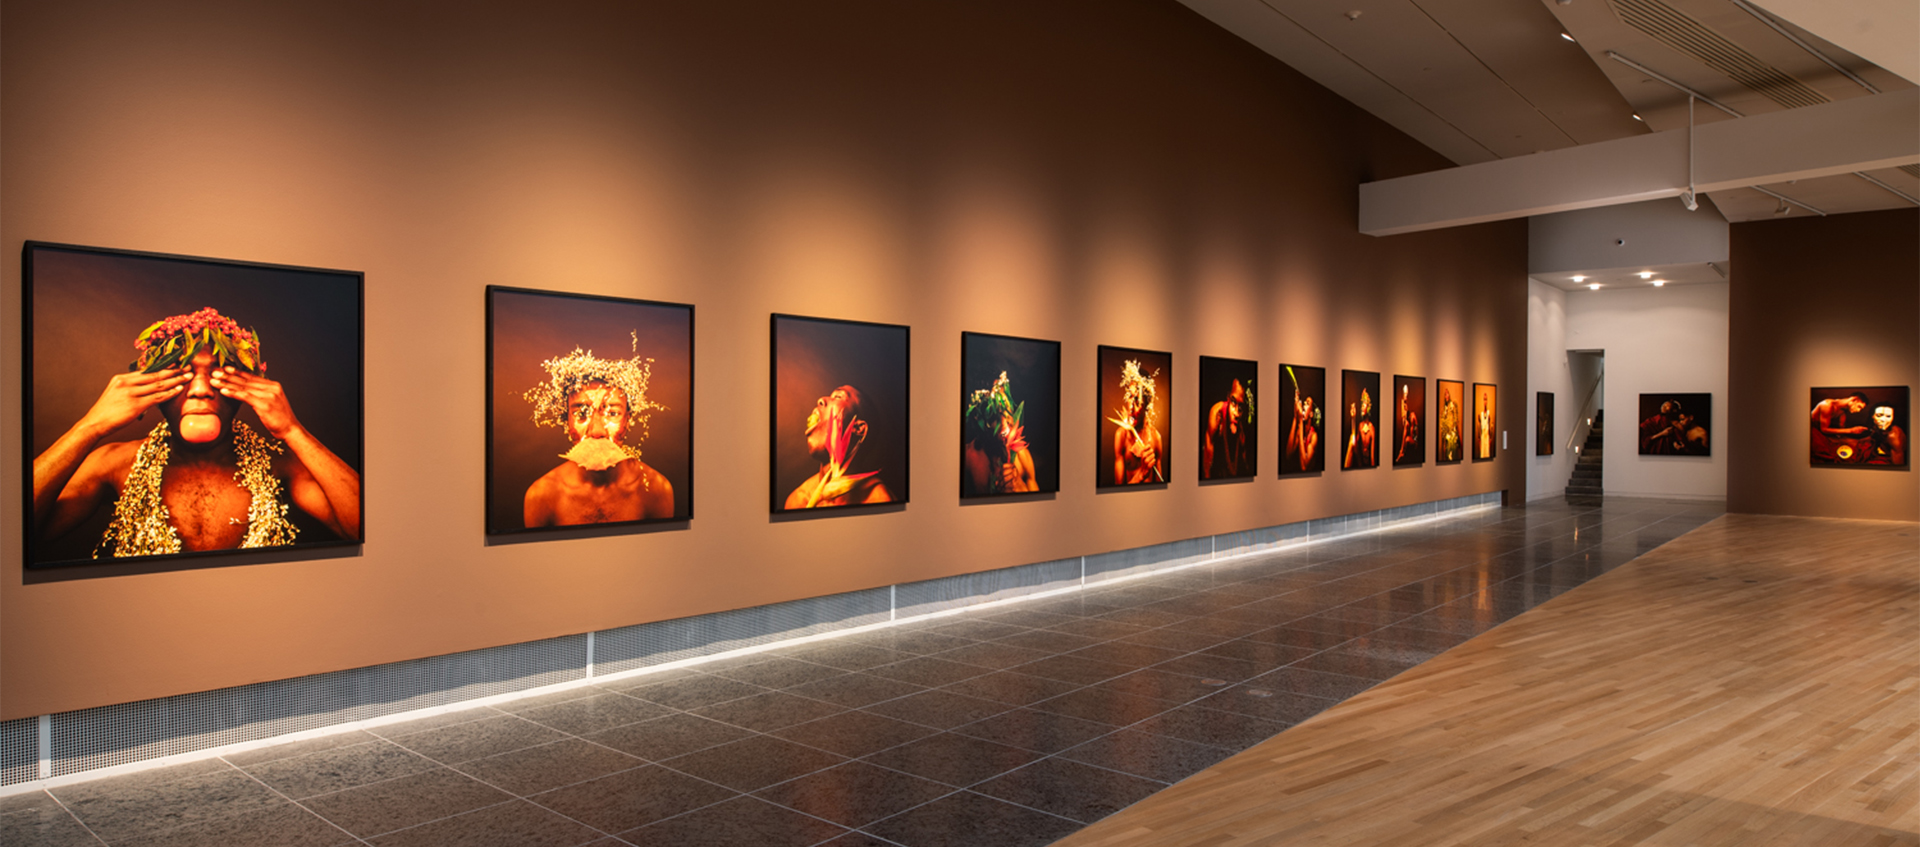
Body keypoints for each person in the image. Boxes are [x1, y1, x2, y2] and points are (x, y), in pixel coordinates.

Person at [32, 307, 361, 558]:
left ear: (247, 387)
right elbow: (18, 534)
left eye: (219, 375)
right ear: (154, 388)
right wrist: (90, 427)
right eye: (183, 376)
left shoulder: (280, 466)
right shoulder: (115, 463)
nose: (201, 389)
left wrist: (292, 430)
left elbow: (362, 530)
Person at [522, 342, 673, 526]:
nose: (597, 431)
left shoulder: (656, 490)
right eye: (581, 413)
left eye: (612, 414)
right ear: (567, 421)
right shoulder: (542, 496)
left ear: (627, 421)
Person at [786, 385, 894, 508]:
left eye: (838, 397)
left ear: (858, 428)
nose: (821, 400)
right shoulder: (799, 500)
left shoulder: (879, 502)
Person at [962, 372, 1038, 495]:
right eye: (994, 413)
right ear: (980, 417)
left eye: (1006, 408)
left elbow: (1037, 498)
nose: (1004, 422)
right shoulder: (968, 457)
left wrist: (1019, 487)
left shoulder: (1022, 455)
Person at [1109, 360, 1164, 485]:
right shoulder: (1121, 436)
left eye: (1137, 401)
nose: (1131, 407)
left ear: (1147, 405)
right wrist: (1141, 475)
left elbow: (1160, 487)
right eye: (1130, 397)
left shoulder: (1156, 438)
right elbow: (1118, 490)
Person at [1202, 378, 1251, 479]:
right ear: (1228, 398)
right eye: (1233, 402)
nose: (1236, 412)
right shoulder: (1217, 413)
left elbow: (1246, 464)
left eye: (1241, 407)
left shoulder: (1243, 424)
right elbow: (1208, 450)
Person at [1809, 393, 1869, 461]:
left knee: (1852, 443)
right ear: (1853, 399)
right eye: (1859, 407)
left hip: (1822, 434)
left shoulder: (1842, 412)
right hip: (1811, 432)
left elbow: (1841, 431)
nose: (1858, 411)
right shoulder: (1827, 404)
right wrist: (1851, 430)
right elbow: (1824, 429)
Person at [1286, 383, 1319, 472]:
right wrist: (1295, 417)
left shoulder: (1314, 436)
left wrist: (1300, 420)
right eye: (1304, 403)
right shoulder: (1301, 432)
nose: (1304, 405)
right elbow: (1288, 454)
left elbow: (1304, 467)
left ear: (1311, 414)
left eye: (1307, 403)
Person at [1344, 388, 1375, 469]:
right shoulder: (1360, 426)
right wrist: (1353, 418)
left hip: (1369, 465)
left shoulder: (1371, 428)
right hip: (1360, 464)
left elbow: (1372, 455)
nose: (1361, 407)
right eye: (1361, 405)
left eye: (1363, 405)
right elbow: (1355, 445)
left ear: (1368, 407)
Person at [1394, 383, 1420, 464]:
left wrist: (1415, 440)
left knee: (1408, 438)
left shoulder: (1413, 417)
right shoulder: (1406, 419)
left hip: (1414, 442)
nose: (1404, 406)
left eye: (1406, 403)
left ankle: (1401, 451)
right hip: (1408, 441)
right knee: (1406, 426)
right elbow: (1403, 422)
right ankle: (1401, 451)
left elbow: (1416, 434)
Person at [1438, 389, 1461, 462]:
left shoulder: (1453, 405)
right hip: (1447, 436)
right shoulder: (1444, 409)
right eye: (1445, 394)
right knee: (1447, 455)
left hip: (1453, 435)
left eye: (1447, 394)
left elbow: (1455, 420)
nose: (1446, 396)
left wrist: (1457, 435)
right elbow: (1443, 426)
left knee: (1453, 454)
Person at [1476, 394, 1493, 459]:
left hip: (1487, 436)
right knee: (1482, 453)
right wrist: (1479, 438)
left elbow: (1491, 426)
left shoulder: (1489, 413)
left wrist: (1490, 438)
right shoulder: (1481, 414)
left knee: (1487, 452)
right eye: (1484, 399)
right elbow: (1479, 426)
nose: (1485, 401)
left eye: (1486, 399)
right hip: (1483, 436)